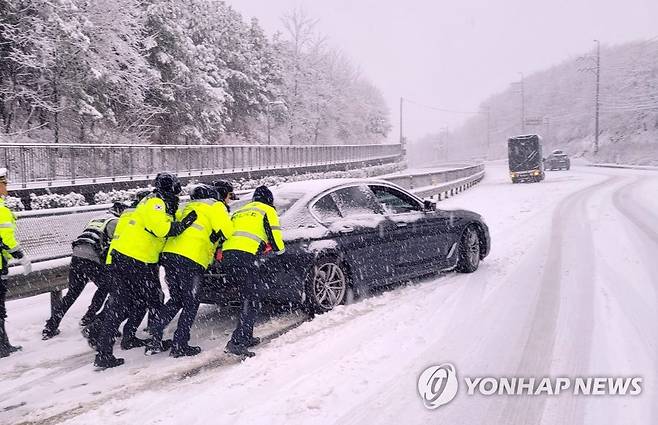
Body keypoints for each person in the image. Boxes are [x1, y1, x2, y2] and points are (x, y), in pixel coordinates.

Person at [93, 173, 197, 369]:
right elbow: (162, 229)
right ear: (171, 187)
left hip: (138, 260)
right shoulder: (155, 203)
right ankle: (104, 350)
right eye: (177, 187)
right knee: (125, 304)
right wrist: (185, 224)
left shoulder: (158, 202)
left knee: (145, 300)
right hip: (132, 259)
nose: (179, 192)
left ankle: (131, 339)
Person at [146, 184, 233, 357]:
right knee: (191, 302)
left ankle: (154, 337)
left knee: (176, 299)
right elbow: (228, 231)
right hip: (191, 259)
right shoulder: (215, 206)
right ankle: (180, 344)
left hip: (170, 256)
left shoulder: (187, 207)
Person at [41, 203, 126, 339]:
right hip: (92, 259)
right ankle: (91, 318)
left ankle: (50, 326)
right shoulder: (115, 222)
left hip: (77, 256)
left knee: (72, 293)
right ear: (120, 212)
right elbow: (117, 244)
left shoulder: (97, 218)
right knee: (109, 288)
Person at [223, 185, 284, 358]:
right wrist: (279, 251)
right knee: (252, 300)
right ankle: (237, 342)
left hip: (228, 257)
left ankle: (246, 336)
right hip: (245, 257)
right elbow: (275, 236)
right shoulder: (267, 211)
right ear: (269, 200)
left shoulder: (241, 210)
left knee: (247, 297)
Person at [0, 167, 31, 358]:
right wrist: (21, 257)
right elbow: (5, 240)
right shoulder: (1, 211)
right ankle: (2, 346)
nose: (7, 189)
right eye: (4, 184)